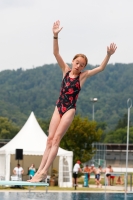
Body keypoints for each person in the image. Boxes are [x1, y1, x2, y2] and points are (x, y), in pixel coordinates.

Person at [28, 20, 117, 182]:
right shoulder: (65, 70)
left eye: (82, 65)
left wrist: (108, 55)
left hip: (69, 108)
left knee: (56, 139)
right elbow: (56, 53)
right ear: (72, 61)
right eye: (77, 62)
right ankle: (40, 171)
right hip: (58, 106)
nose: (79, 66)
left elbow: (101, 68)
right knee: (49, 139)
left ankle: (43, 172)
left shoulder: (83, 76)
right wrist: (55, 36)